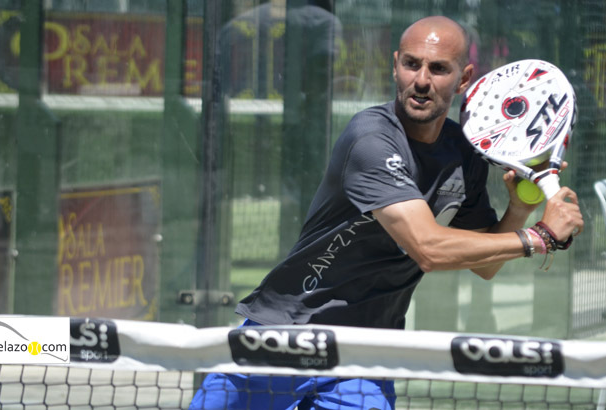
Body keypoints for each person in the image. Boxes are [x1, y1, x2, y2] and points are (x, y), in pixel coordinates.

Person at [190, 15, 584, 410]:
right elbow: (427, 247)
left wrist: (517, 211)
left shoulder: (465, 155)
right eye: (412, 64)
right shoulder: (371, 138)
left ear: (464, 79)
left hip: (366, 353)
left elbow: (485, 263)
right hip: (286, 335)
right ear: (395, 65)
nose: (422, 80)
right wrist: (540, 237)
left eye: (438, 69)